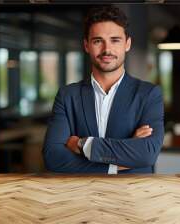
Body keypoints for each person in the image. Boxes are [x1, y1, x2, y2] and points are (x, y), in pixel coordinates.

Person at [43, 5, 164, 174]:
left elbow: (147, 154)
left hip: (133, 195)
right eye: (98, 41)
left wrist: (83, 144)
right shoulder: (67, 95)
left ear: (127, 44)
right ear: (86, 45)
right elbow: (53, 158)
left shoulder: (148, 94)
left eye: (115, 40)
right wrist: (118, 162)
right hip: (81, 196)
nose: (107, 49)